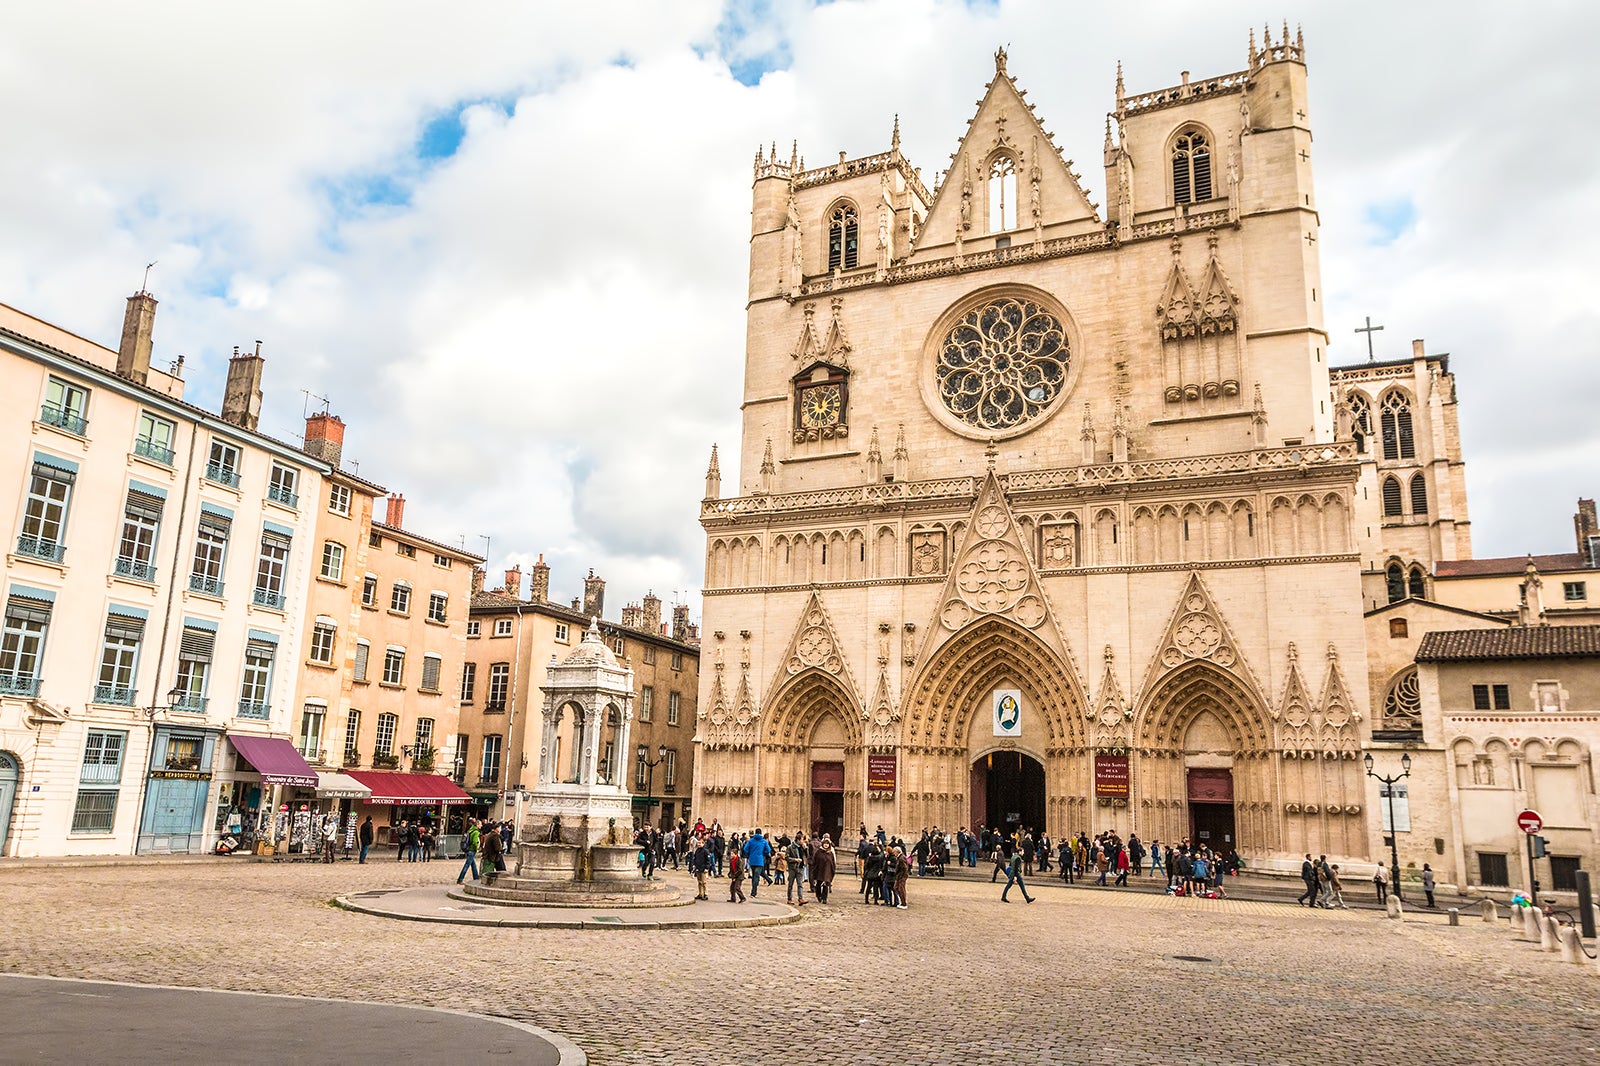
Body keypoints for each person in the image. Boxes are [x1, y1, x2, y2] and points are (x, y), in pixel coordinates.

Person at [812, 836, 837, 904]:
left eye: (827, 844)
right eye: (825, 843)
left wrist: (833, 870)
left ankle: (824, 898)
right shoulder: (818, 852)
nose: (826, 845)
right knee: (819, 885)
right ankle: (819, 896)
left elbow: (832, 862)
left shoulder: (830, 853)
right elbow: (815, 862)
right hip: (819, 870)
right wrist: (814, 871)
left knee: (826, 884)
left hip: (827, 871)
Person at [785, 833, 808, 906]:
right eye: (802, 840)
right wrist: (795, 860)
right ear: (798, 840)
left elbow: (807, 855)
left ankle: (800, 899)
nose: (803, 841)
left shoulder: (802, 847)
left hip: (800, 868)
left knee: (800, 884)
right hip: (793, 868)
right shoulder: (790, 847)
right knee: (790, 884)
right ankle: (789, 898)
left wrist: (805, 849)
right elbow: (787, 857)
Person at [457, 819, 482, 884]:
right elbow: (475, 842)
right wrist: (477, 848)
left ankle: (476, 878)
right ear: (477, 825)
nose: (481, 826)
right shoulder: (476, 832)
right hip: (472, 850)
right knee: (467, 865)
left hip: (468, 849)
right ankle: (460, 879)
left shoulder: (470, 830)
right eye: (480, 824)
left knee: (473, 865)